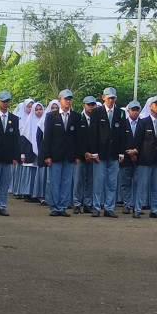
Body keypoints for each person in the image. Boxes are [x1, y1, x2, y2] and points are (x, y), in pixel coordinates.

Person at [40, 89, 82, 217]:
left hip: (69, 155)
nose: (68, 101)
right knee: (54, 181)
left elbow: (78, 138)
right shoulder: (51, 116)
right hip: (55, 154)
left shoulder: (75, 116)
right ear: (60, 100)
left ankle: (63, 206)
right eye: (66, 99)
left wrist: (77, 155)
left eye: (70, 99)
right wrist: (46, 155)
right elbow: (47, 137)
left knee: (66, 182)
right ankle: (54, 206)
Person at [88, 87, 122, 218]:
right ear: (103, 98)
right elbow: (93, 133)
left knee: (112, 182)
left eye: (113, 98)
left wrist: (121, 153)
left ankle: (109, 207)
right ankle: (96, 207)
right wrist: (94, 152)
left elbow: (121, 134)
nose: (111, 100)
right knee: (98, 181)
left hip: (113, 153)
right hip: (100, 153)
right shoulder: (96, 112)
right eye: (109, 98)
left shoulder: (120, 112)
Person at [133, 96, 157, 219]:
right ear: (150, 106)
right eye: (156, 104)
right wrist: (136, 153)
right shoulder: (143, 122)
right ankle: (137, 209)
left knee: (156, 186)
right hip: (145, 159)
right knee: (142, 186)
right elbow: (137, 140)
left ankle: (154, 209)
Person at [72, 96, 96, 214]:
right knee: (78, 181)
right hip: (81, 155)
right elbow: (77, 139)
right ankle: (76, 203)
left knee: (90, 181)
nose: (91, 107)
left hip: (93, 155)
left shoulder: (97, 119)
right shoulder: (78, 118)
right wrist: (84, 152)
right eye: (89, 104)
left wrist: (93, 153)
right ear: (84, 105)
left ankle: (88, 203)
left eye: (93, 104)